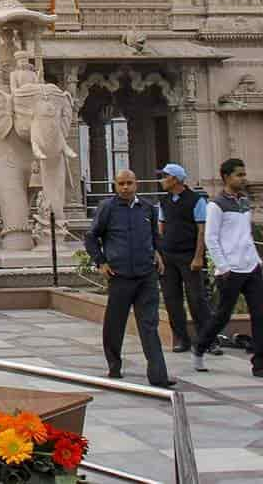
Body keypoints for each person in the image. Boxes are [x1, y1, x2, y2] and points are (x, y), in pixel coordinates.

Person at [84, 169, 174, 387]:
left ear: (137, 184)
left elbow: (154, 235)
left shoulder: (147, 208)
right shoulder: (108, 208)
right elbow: (91, 237)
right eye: (121, 183)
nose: (125, 187)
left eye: (129, 183)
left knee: (149, 324)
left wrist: (157, 253)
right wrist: (101, 262)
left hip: (146, 275)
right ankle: (114, 365)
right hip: (120, 274)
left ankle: (158, 375)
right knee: (115, 324)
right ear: (115, 185)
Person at [194, 158, 263, 376]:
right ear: (226, 177)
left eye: (244, 174)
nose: (243, 179)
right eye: (238, 175)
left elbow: (246, 234)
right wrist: (223, 267)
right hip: (230, 270)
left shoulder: (243, 202)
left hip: (251, 267)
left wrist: (257, 260)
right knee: (222, 315)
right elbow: (211, 238)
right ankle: (200, 347)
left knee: (260, 315)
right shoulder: (216, 205)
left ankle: (259, 364)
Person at [156, 163, 217, 354]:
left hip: (189, 255)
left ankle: (208, 339)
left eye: (165, 176)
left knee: (197, 298)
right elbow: (161, 226)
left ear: (175, 179)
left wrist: (199, 256)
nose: (162, 180)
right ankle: (182, 339)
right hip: (169, 256)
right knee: (172, 299)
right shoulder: (164, 201)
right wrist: (160, 252)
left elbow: (201, 230)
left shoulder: (196, 200)